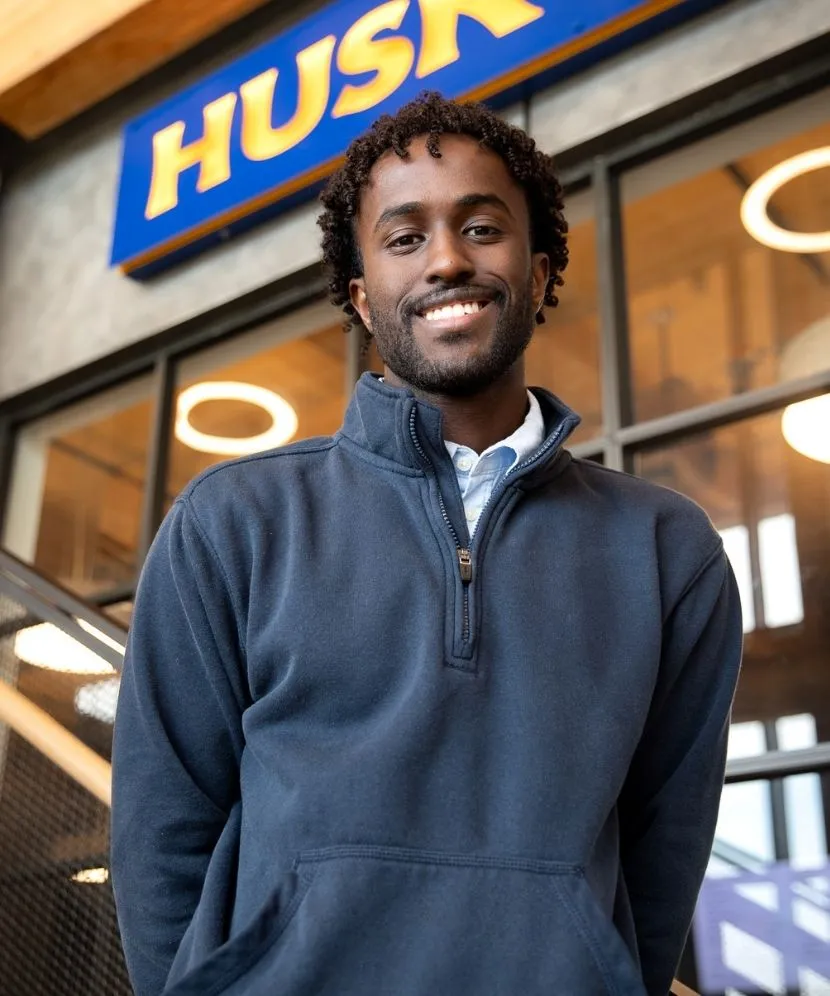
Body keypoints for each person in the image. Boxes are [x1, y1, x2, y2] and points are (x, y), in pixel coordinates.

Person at [111, 91, 743, 996]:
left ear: (538, 267)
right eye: (405, 238)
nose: (448, 259)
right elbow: (161, 828)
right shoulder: (232, 522)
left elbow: (665, 846)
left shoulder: (666, 550)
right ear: (365, 298)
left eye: (483, 228)